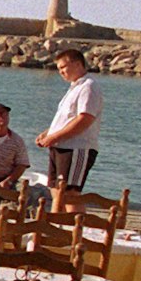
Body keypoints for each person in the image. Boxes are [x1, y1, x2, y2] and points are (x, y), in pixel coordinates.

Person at [36, 48, 102, 198]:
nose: (60, 72)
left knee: (69, 195)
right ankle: (55, 221)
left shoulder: (88, 87)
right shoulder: (74, 88)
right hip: (59, 147)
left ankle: (75, 222)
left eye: (63, 67)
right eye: (58, 68)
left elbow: (85, 119)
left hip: (76, 148)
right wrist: (48, 133)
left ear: (78, 64)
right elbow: (68, 118)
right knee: (56, 192)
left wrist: (55, 137)